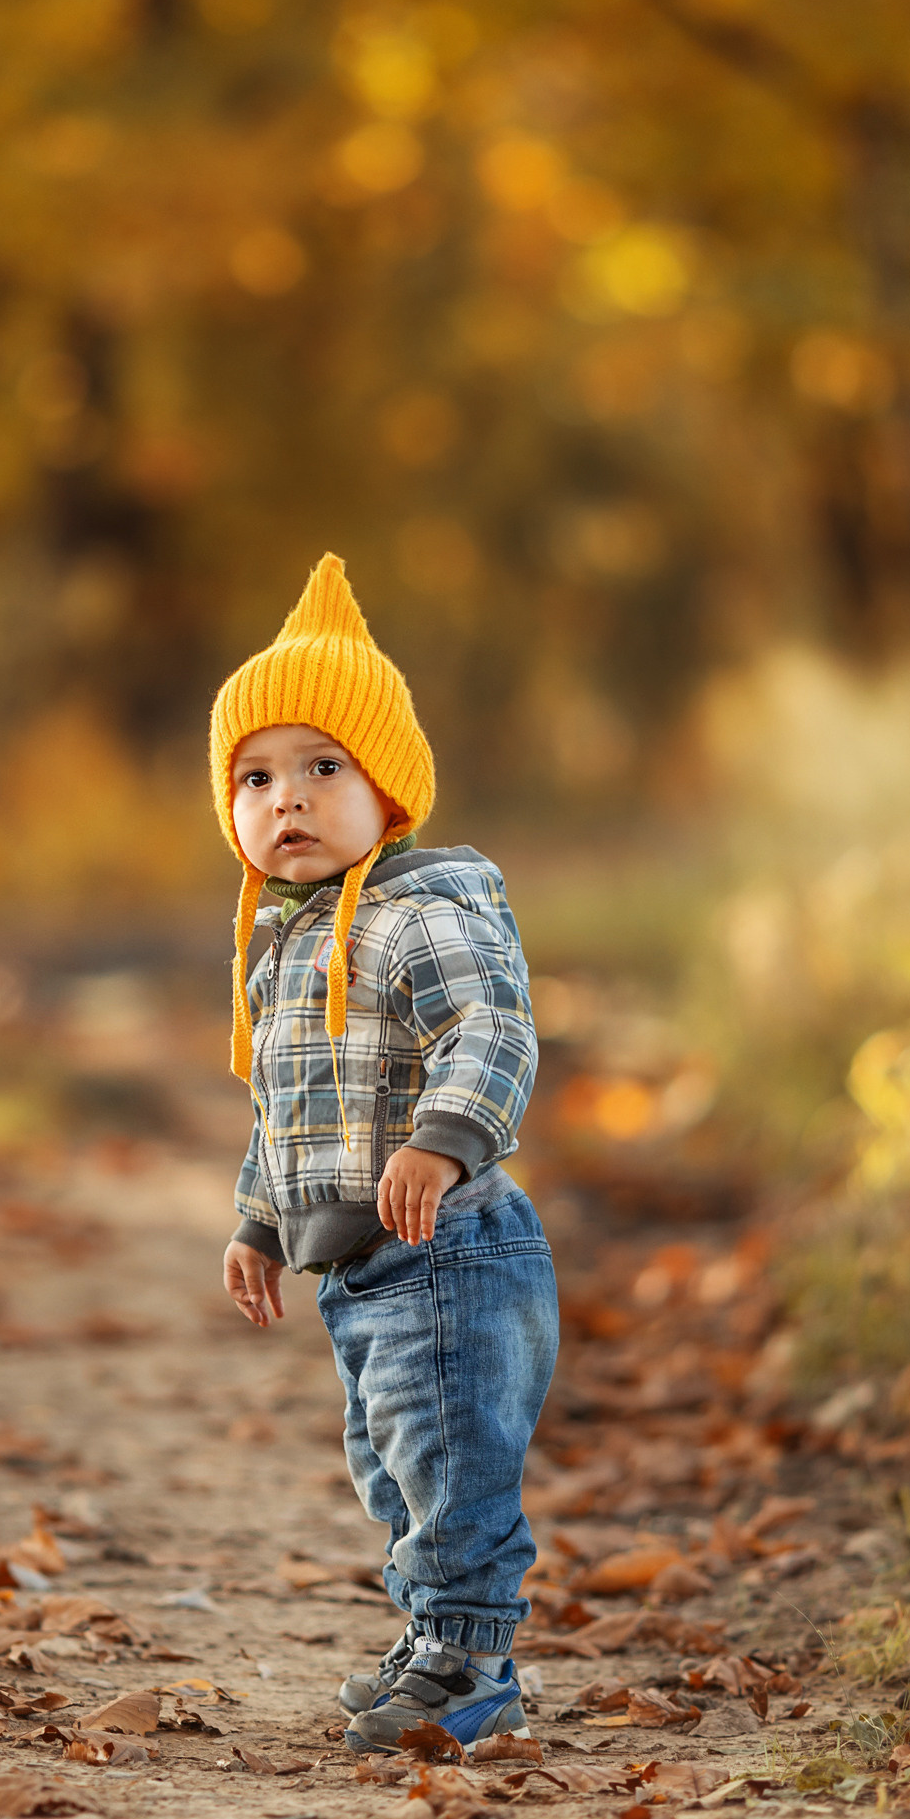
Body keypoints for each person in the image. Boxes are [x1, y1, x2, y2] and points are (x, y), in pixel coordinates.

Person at [211, 554, 559, 1753]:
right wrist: (260, 1220)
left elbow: (493, 1029)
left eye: (321, 768)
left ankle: (472, 1661)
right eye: (255, 778)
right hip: (364, 1272)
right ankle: (432, 1639)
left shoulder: (416, 914)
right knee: (393, 1464)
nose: (286, 799)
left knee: (452, 1459)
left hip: (450, 1251)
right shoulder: (285, 945)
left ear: (389, 791)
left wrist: (443, 1141)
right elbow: (289, 1107)